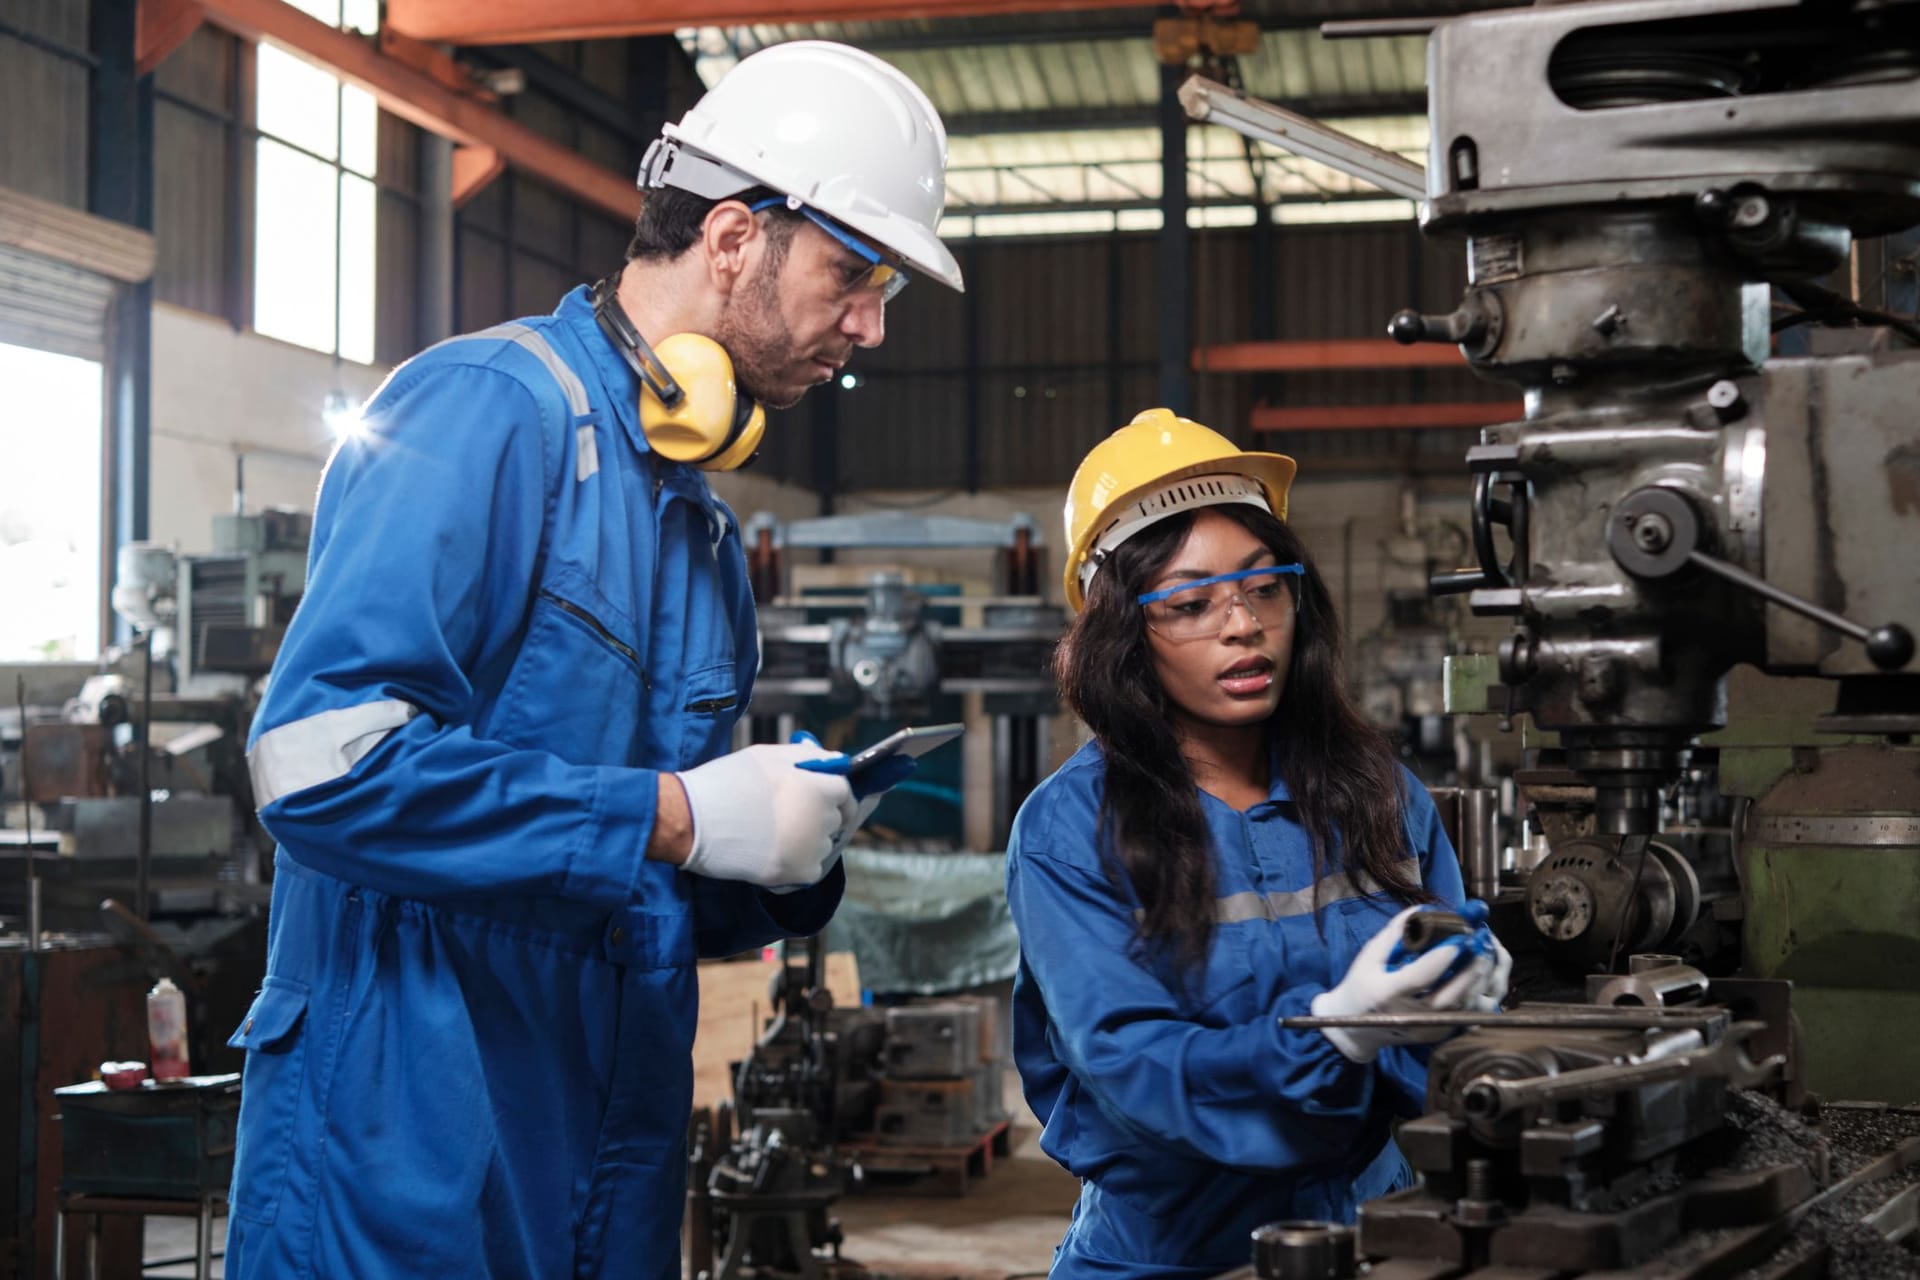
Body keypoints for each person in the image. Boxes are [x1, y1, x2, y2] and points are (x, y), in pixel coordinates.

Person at [223, 42, 962, 1279]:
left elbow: (625, 868)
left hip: (602, 1149)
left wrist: (775, 856)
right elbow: (316, 767)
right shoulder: (483, 412)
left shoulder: (702, 529)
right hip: (406, 1136)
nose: (870, 325)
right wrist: (676, 813)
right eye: (853, 273)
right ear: (733, 237)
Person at [1007, 410, 1511, 1278]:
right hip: (1169, 1251)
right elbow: (1133, 1067)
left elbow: (1436, 1026)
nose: (1242, 625)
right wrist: (1335, 1038)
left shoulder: (1379, 793)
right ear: (1123, 634)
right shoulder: (1069, 831)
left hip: (1375, 1228)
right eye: (1193, 602)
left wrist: (1464, 999)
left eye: (1263, 586)